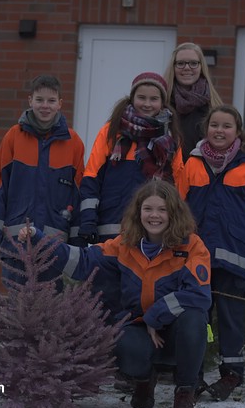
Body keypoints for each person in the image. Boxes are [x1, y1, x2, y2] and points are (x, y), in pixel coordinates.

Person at [19, 180, 211, 408]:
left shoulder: (192, 246)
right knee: (124, 347)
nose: (155, 216)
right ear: (138, 212)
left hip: (175, 331)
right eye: (148, 209)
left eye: (162, 209)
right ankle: (143, 380)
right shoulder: (124, 244)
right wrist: (40, 238)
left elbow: (198, 295)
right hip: (138, 327)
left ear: (174, 212)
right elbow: (83, 262)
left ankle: (184, 392)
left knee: (195, 320)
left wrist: (155, 316)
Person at [177, 104, 245, 401]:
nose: (219, 130)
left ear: (237, 131)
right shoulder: (191, 163)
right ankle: (192, 376)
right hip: (197, 261)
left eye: (226, 126)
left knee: (231, 319)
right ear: (206, 129)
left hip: (235, 258)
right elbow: (178, 209)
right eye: (214, 125)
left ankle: (232, 373)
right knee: (197, 319)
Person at [78, 71, 184, 322]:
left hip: (151, 234)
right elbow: (91, 176)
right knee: (104, 295)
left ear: (163, 103)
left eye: (154, 99)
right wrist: (87, 220)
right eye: (141, 97)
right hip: (109, 228)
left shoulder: (171, 140)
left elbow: (178, 187)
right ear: (132, 97)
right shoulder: (110, 132)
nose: (147, 104)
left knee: (139, 295)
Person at [0, 74, 85, 292]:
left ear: (60, 103)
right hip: (15, 242)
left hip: (55, 243)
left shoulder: (73, 143)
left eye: (51, 101)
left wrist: (77, 238)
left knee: (51, 305)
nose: (45, 106)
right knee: (16, 304)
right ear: (30, 100)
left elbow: (78, 193)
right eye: (39, 100)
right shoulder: (13, 137)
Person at [164, 42, 223, 163]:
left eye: (193, 63)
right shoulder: (161, 103)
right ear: (173, 67)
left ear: (201, 67)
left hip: (201, 178)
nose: (187, 67)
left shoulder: (214, 106)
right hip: (166, 177)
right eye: (180, 63)